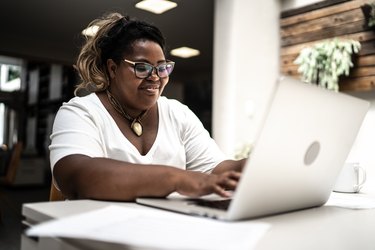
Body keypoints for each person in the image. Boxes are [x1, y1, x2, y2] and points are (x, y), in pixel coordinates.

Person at [49, 12, 245, 201]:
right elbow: (76, 177)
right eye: (141, 67)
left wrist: (254, 166)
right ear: (113, 68)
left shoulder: (178, 113)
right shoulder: (81, 112)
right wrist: (175, 178)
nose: (155, 77)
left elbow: (215, 171)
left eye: (162, 67)